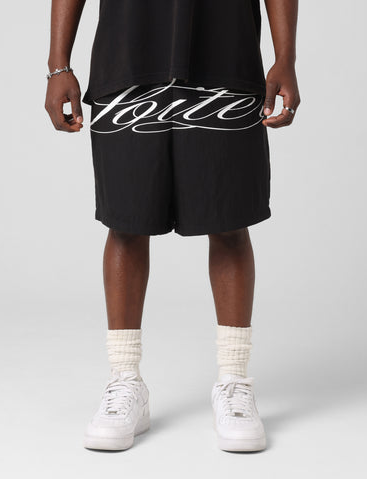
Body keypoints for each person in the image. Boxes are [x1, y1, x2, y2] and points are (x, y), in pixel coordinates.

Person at [45, 0, 300, 452]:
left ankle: (234, 381)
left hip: (225, 58)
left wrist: (286, 57)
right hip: (126, 61)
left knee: (229, 220)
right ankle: (126, 380)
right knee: (126, 221)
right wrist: (58, 65)